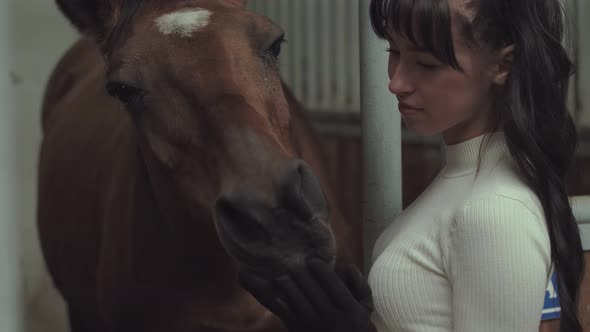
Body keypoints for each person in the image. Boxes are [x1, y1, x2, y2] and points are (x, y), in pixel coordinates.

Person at [239, 0, 585, 331]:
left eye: (426, 64)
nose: (396, 83)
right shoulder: (464, 178)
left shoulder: (493, 211)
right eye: (394, 52)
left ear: (502, 65)